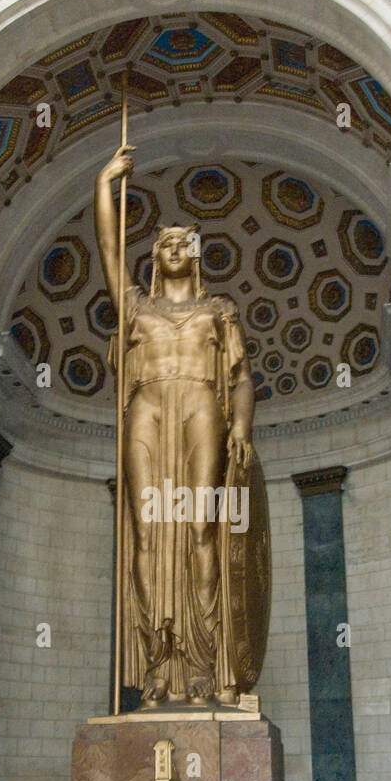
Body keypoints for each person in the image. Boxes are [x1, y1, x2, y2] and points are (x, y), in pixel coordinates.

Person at [94, 144, 255, 705]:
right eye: (164, 243)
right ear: (155, 257)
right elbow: (109, 252)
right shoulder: (136, 308)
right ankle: (159, 663)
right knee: (145, 531)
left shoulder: (220, 311)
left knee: (200, 528)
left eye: (183, 242)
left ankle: (202, 662)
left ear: (196, 254)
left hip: (202, 409)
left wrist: (242, 430)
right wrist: (104, 182)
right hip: (147, 408)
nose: (174, 248)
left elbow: (240, 379)